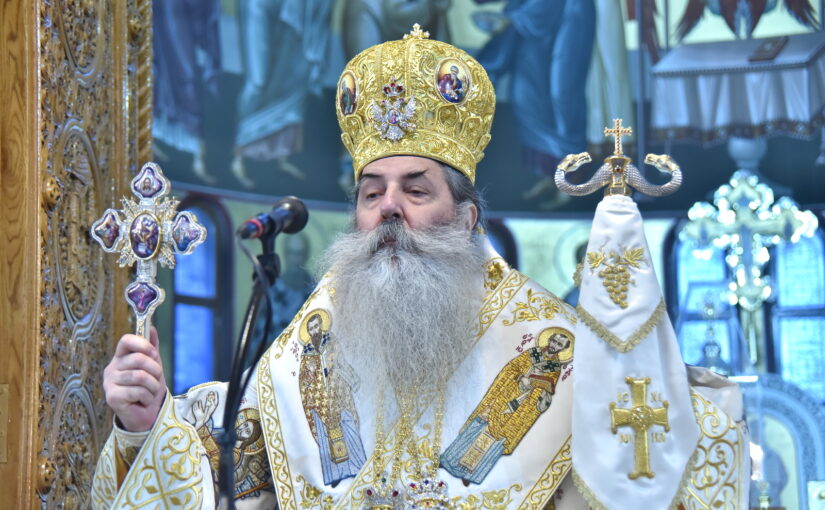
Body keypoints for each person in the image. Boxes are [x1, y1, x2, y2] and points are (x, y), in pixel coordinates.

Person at [92, 26, 747, 509]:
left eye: (415, 189)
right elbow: (234, 478)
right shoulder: (306, 348)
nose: (389, 209)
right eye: (370, 193)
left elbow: (647, 459)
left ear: (466, 218)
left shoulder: (556, 345)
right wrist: (145, 423)